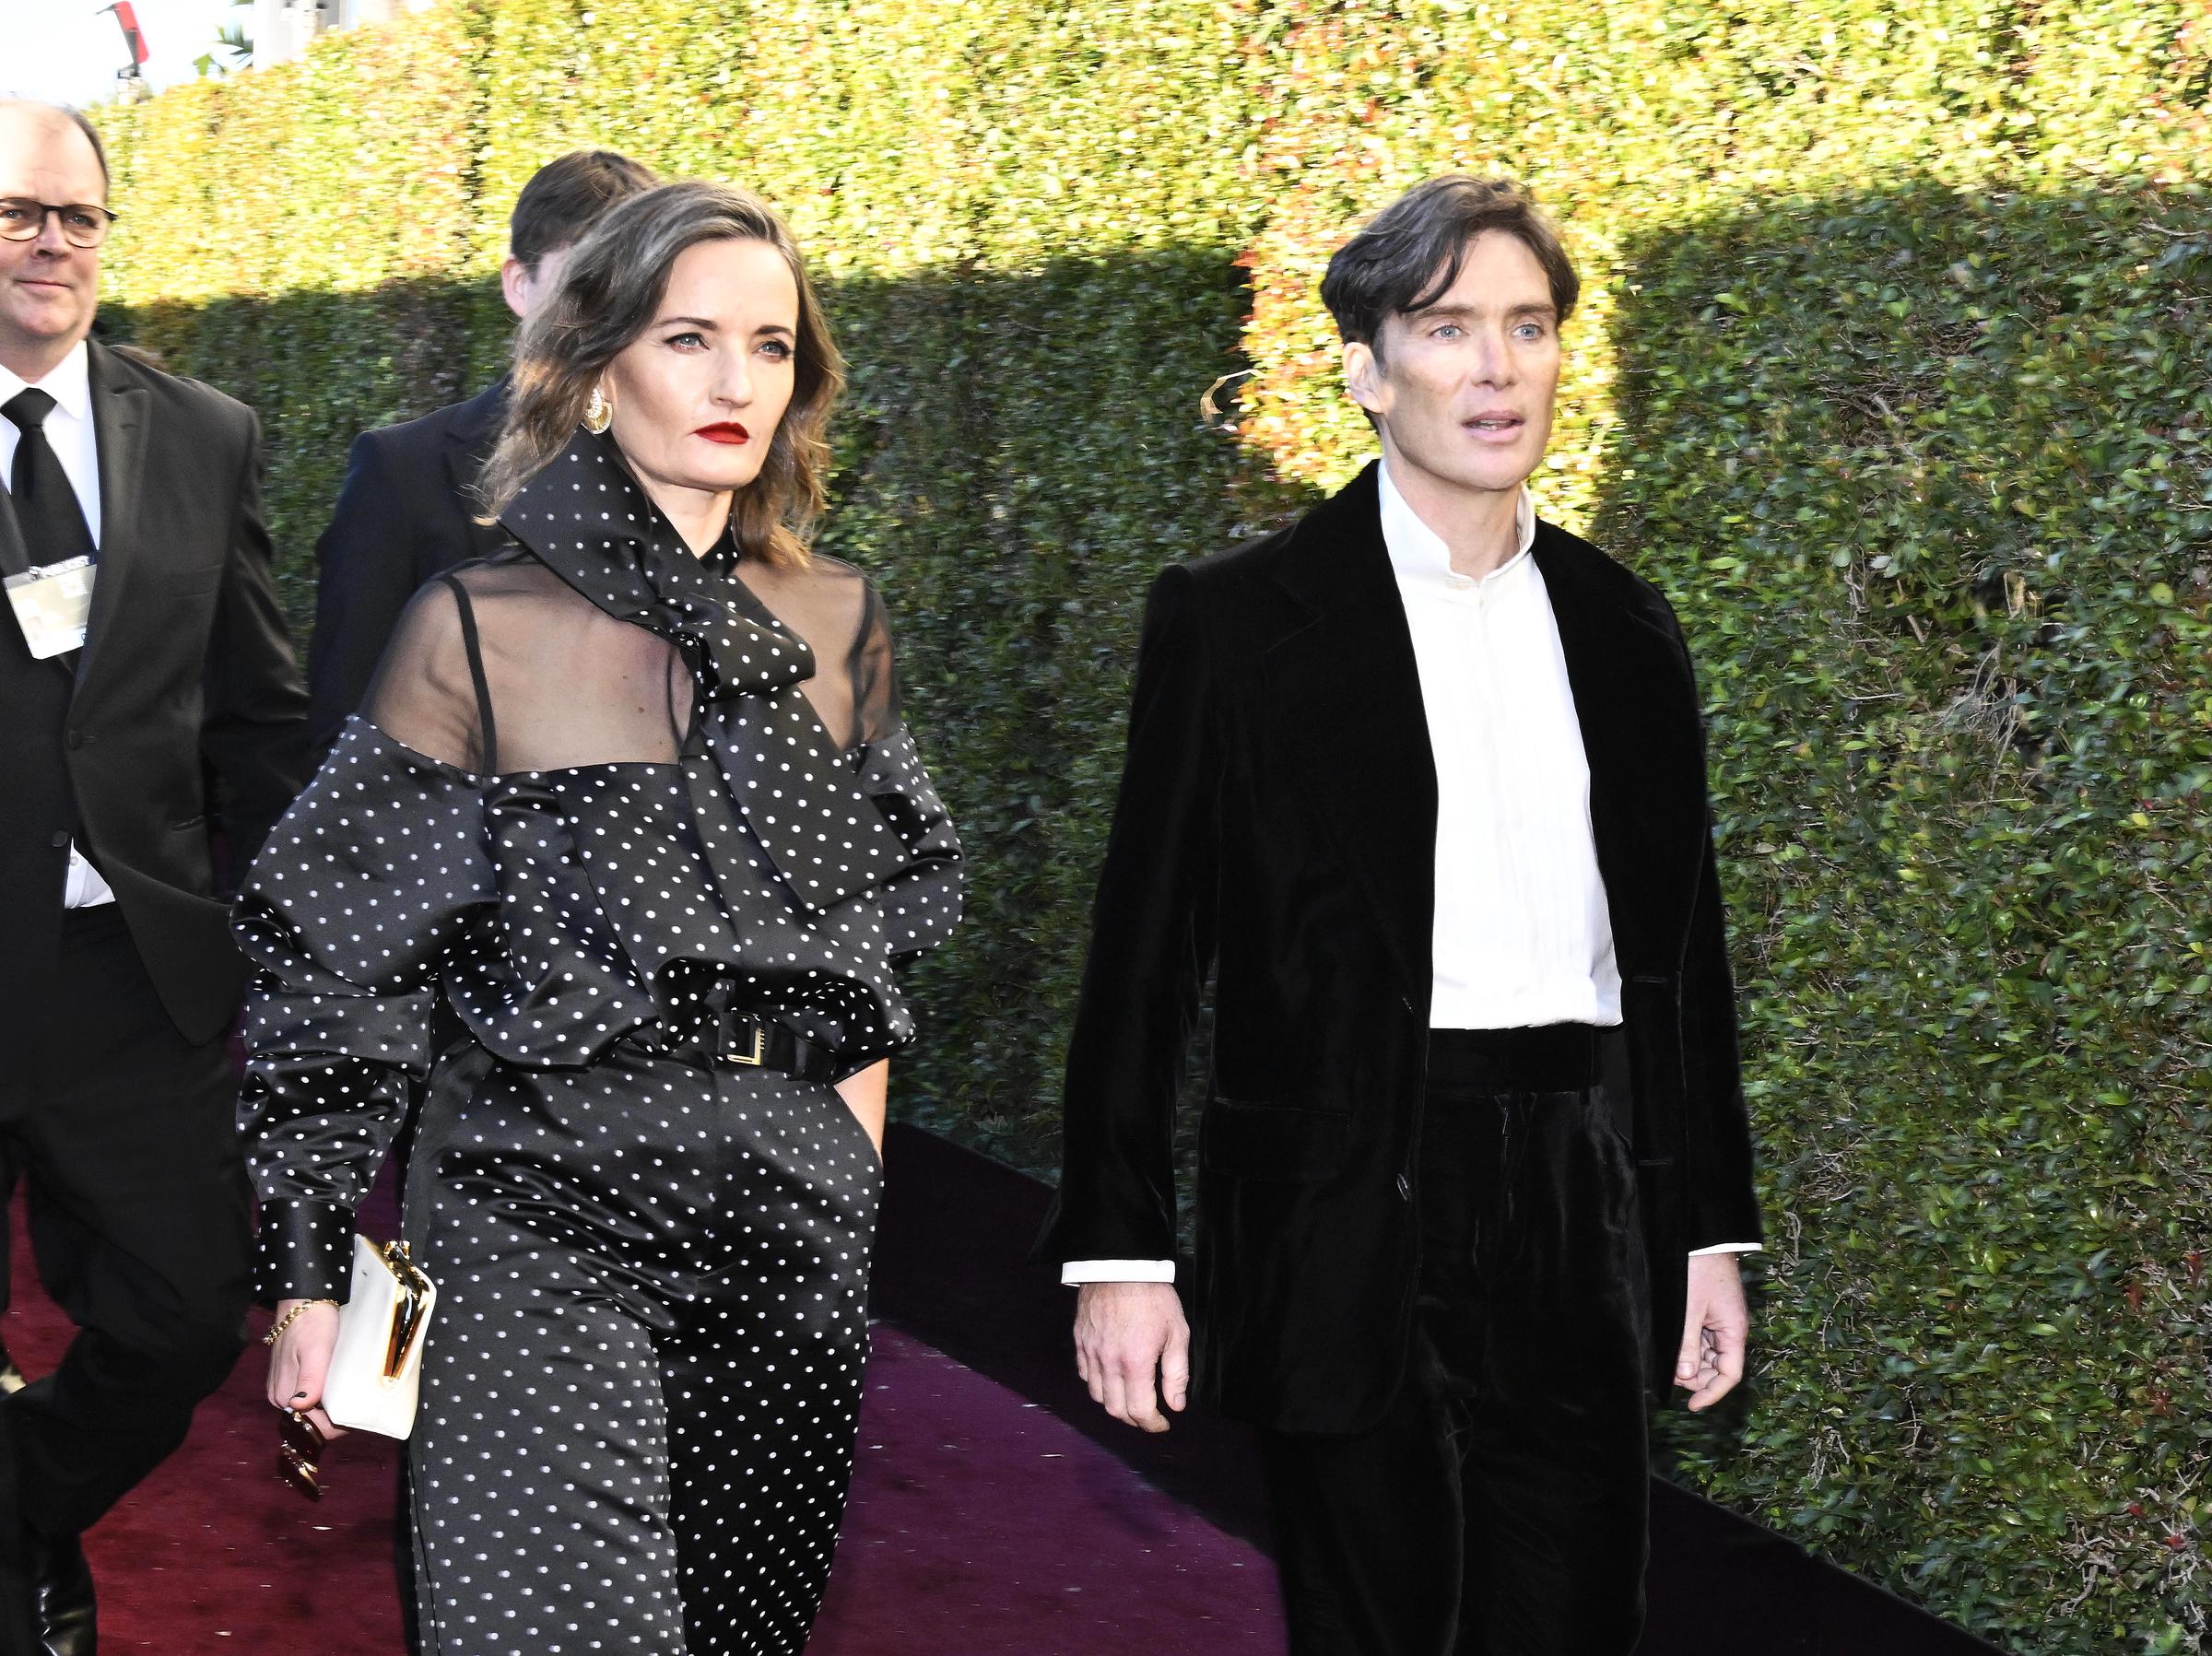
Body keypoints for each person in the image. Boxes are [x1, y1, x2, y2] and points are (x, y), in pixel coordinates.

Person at [1040, 174, 1764, 1654]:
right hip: (1342, 1191)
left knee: (1573, 1621)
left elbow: (1680, 969)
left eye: (1529, 326)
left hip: (1573, 1188)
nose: (1496, 367)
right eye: (1447, 329)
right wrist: (1121, 1253)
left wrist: (1704, 1233)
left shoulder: (1626, 628)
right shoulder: (1239, 623)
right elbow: (1145, 956)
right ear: (1368, 372)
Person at [239, 179, 961, 1654]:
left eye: (770, 347)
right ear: (594, 361)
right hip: (540, 1213)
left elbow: (869, 953)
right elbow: (340, 962)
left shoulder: (836, 622)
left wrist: (854, 1192)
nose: (732, 380)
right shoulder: (484, 628)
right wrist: (309, 1268)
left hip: (790, 1234)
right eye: (688, 337)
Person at [0, 100, 310, 1655]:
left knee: (185, 1318)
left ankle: (20, 1505)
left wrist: (331, 921)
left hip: (136, 979)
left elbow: (255, 714)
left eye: (78, 216)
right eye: (16, 212)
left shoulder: (201, 433)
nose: (52, 241)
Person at [302, 147, 657, 759]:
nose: (613, 314)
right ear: (520, 285)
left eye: (638, 285)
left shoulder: (692, 472)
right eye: (587, 282)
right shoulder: (402, 475)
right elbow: (346, 737)